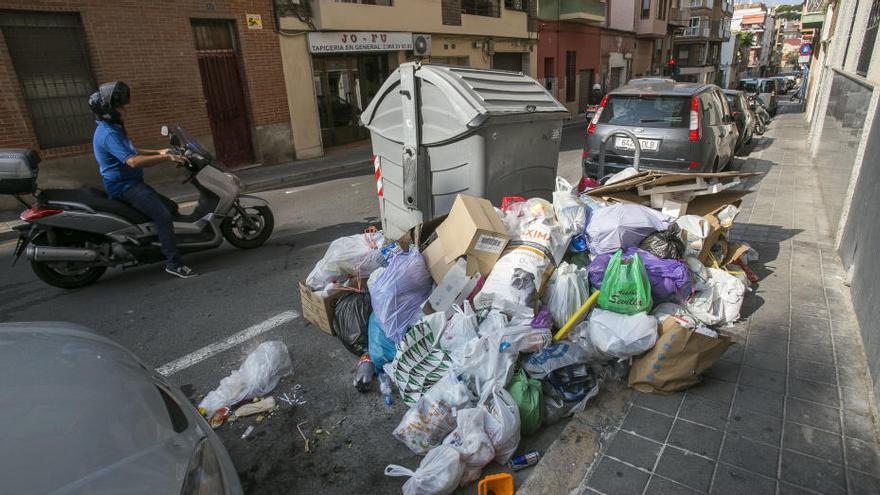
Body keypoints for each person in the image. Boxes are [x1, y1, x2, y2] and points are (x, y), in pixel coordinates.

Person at [89, 81, 198, 279]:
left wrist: (159, 150)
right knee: (163, 216)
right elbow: (132, 160)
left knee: (171, 208)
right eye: (120, 107)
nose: (124, 110)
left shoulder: (111, 128)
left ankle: (159, 244)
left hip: (130, 183)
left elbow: (130, 150)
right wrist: (167, 157)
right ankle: (174, 263)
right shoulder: (108, 134)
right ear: (109, 111)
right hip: (125, 186)